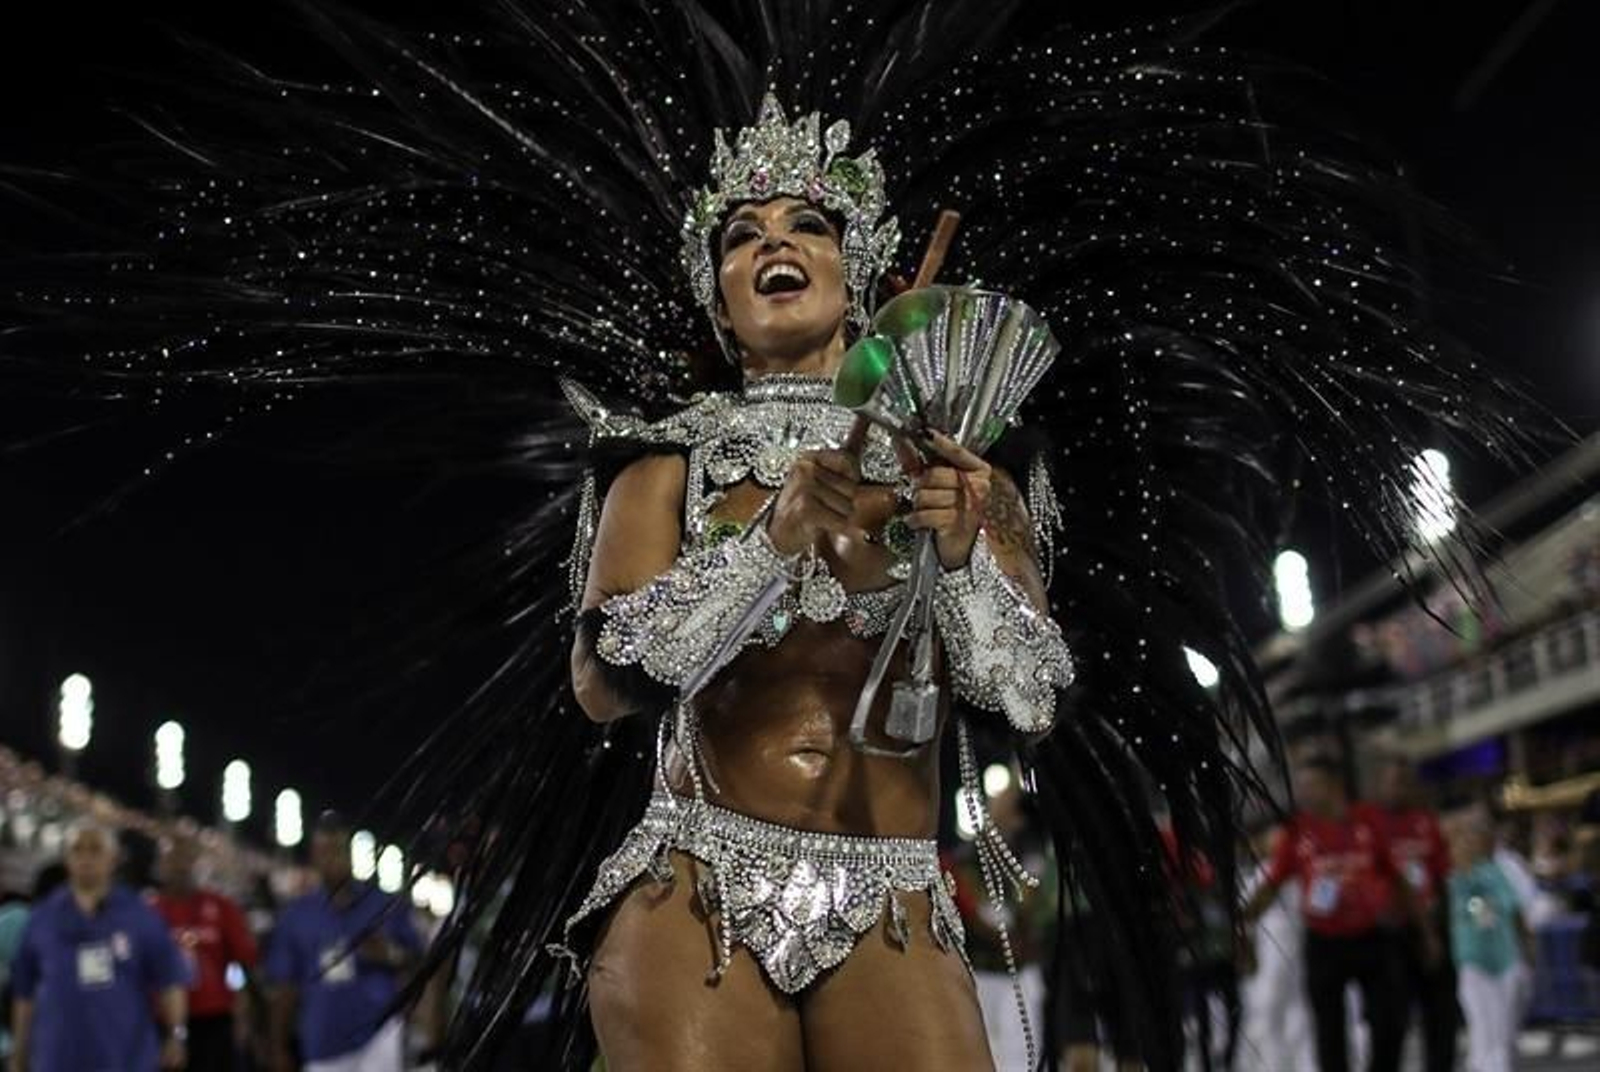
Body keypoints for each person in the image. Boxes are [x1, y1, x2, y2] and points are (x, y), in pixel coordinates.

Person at [2, 4, 1545, 1068]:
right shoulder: (661, 461)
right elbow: (605, 681)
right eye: (742, 236)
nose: (772, 245)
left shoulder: (965, 456)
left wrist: (966, 548)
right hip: (700, 885)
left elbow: (1027, 693)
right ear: (718, 294)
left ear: (862, 274)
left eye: (804, 225)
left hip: (896, 883)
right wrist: (769, 543)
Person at [1243, 755, 1438, 1072]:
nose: (1304, 794)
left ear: (1334, 785)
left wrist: (1426, 933)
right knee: (1329, 1033)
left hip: (1372, 937)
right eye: (1301, 787)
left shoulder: (1369, 820)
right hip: (1325, 942)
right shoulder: (1297, 831)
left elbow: (1399, 879)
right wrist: (1244, 920)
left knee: (1390, 1022)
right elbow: (1273, 882)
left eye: (1311, 785)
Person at [8, 821, 189, 1072]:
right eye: (77, 849)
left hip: (126, 1058)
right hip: (57, 1058)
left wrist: (176, 1035)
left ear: (113, 858)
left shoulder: (140, 916)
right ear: (66, 857)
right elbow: (24, 993)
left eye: (95, 849)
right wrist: (19, 1052)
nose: (86, 858)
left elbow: (170, 980)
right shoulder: (43, 918)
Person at [264, 812, 422, 1072]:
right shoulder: (297, 915)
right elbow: (285, 987)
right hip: (323, 1041)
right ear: (313, 857)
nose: (331, 859)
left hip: (379, 1034)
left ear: (350, 854)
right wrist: (277, 1045)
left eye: (337, 850)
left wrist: (390, 954)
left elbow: (418, 961)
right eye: (323, 852)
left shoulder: (383, 904)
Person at [1371, 757, 1455, 1072]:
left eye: (1406, 783)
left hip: (1430, 928)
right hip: (1391, 934)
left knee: (1441, 1015)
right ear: (1381, 785)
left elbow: (1442, 877)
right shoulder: (1371, 824)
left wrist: (1439, 927)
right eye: (1395, 782)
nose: (1401, 789)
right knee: (1391, 1021)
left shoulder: (1427, 823)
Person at [152, 832, 260, 1070]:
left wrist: (240, 1008)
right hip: (163, 1021)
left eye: (187, 858)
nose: (181, 866)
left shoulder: (221, 907)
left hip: (213, 1018)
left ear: (198, 862)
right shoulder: (149, 912)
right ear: (161, 864)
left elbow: (238, 965)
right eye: (173, 858)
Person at [1445, 810, 1530, 1072]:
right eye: (1467, 836)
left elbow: (1514, 911)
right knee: (1485, 1032)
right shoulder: (1454, 877)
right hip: (1475, 963)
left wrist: (1527, 950)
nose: (1472, 841)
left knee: (1503, 1034)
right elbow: (1475, 913)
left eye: (1478, 834)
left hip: (1506, 959)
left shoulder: (1498, 871)